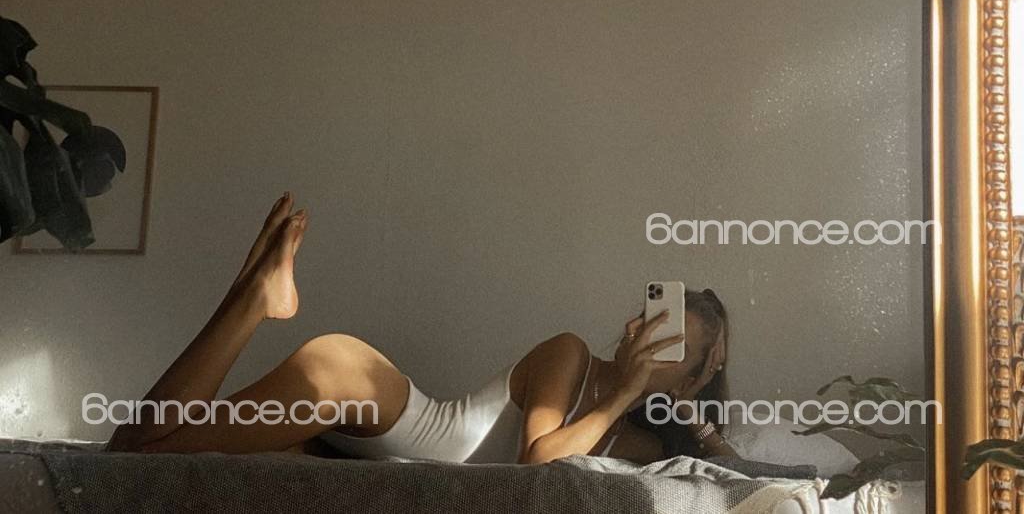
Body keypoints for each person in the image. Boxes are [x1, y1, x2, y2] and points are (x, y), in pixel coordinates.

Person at [108, 194, 733, 464]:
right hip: (360, 385)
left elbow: (737, 465)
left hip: (359, 435)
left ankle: (249, 294)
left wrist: (692, 405)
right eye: (652, 318)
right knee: (140, 457)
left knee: (138, 451)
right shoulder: (570, 355)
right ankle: (250, 298)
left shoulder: (645, 445)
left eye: (672, 341)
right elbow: (540, 460)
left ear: (691, 378)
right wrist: (627, 390)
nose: (646, 336)